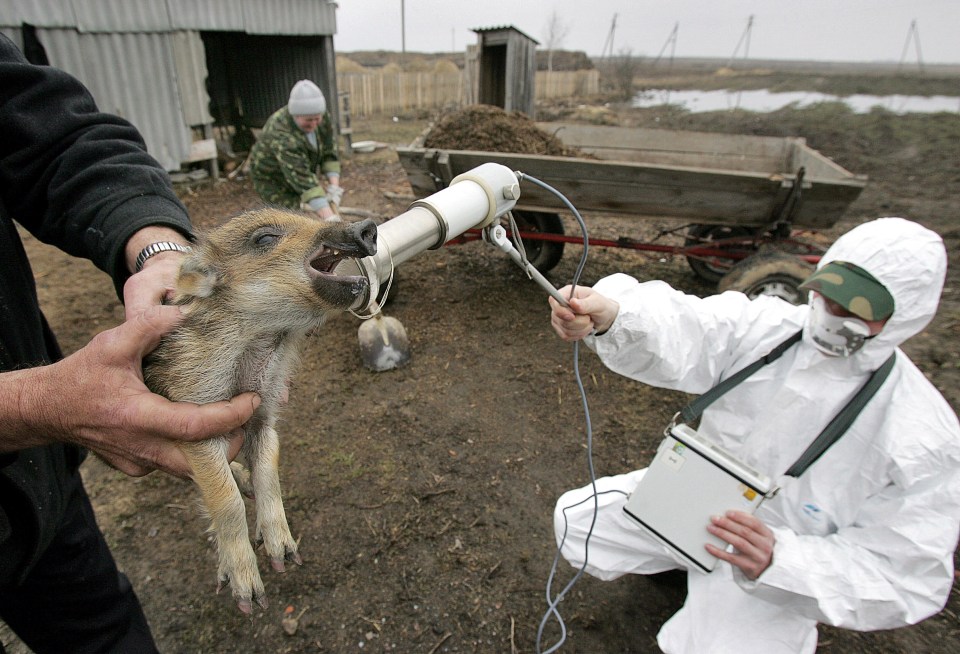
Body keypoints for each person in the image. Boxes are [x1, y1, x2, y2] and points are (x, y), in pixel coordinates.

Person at [547, 217, 960, 653]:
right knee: (578, 523)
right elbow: (692, 326)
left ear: (902, 319)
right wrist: (614, 316)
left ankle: (752, 607)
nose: (829, 314)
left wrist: (781, 562)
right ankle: (683, 560)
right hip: (698, 500)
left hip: (778, 552)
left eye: (853, 310)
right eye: (827, 294)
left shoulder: (922, 435)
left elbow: (904, 573)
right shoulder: (772, 328)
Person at [0, 34, 260, 652]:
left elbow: (54, 138)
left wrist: (159, 248)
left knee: (106, 631)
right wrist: (34, 407)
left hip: (32, 486)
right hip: (29, 435)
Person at [250, 79, 343, 221]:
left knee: (310, 208)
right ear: (295, 115)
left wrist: (334, 188)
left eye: (316, 119)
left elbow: (329, 152)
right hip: (273, 180)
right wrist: (330, 218)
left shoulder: (321, 117)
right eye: (308, 120)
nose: (313, 124)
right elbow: (303, 179)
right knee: (288, 218)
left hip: (299, 169)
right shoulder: (281, 134)